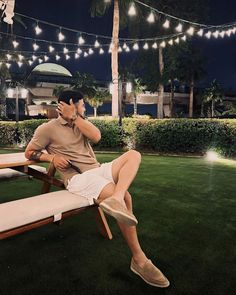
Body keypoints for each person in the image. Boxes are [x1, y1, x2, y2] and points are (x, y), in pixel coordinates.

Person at [25, 89, 170, 288]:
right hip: (79, 179)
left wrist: (75, 117)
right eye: (82, 104)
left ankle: (117, 197)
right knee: (127, 198)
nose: (85, 107)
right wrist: (51, 157)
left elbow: (97, 136)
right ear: (70, 103)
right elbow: (29, 153)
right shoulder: (47, 129)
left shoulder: (80, 122)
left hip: (97, 170)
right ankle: (140, 260)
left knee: (133, 155)